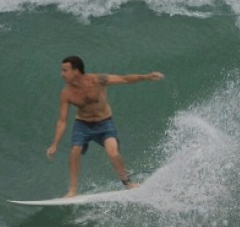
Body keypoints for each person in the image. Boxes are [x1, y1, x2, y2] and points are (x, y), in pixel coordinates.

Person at [46, 55, 164, 197]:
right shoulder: (66, 93)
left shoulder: (97, 80)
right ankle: (72, 190)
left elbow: (124, 79)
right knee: (74, 151)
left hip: (104, 123)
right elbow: (62, 121)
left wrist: (146, 77)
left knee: (113, 152)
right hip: (82, 125)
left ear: (76, 71)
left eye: (65, 70)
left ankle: (128, 183)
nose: (62, 74)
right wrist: (54, 144)